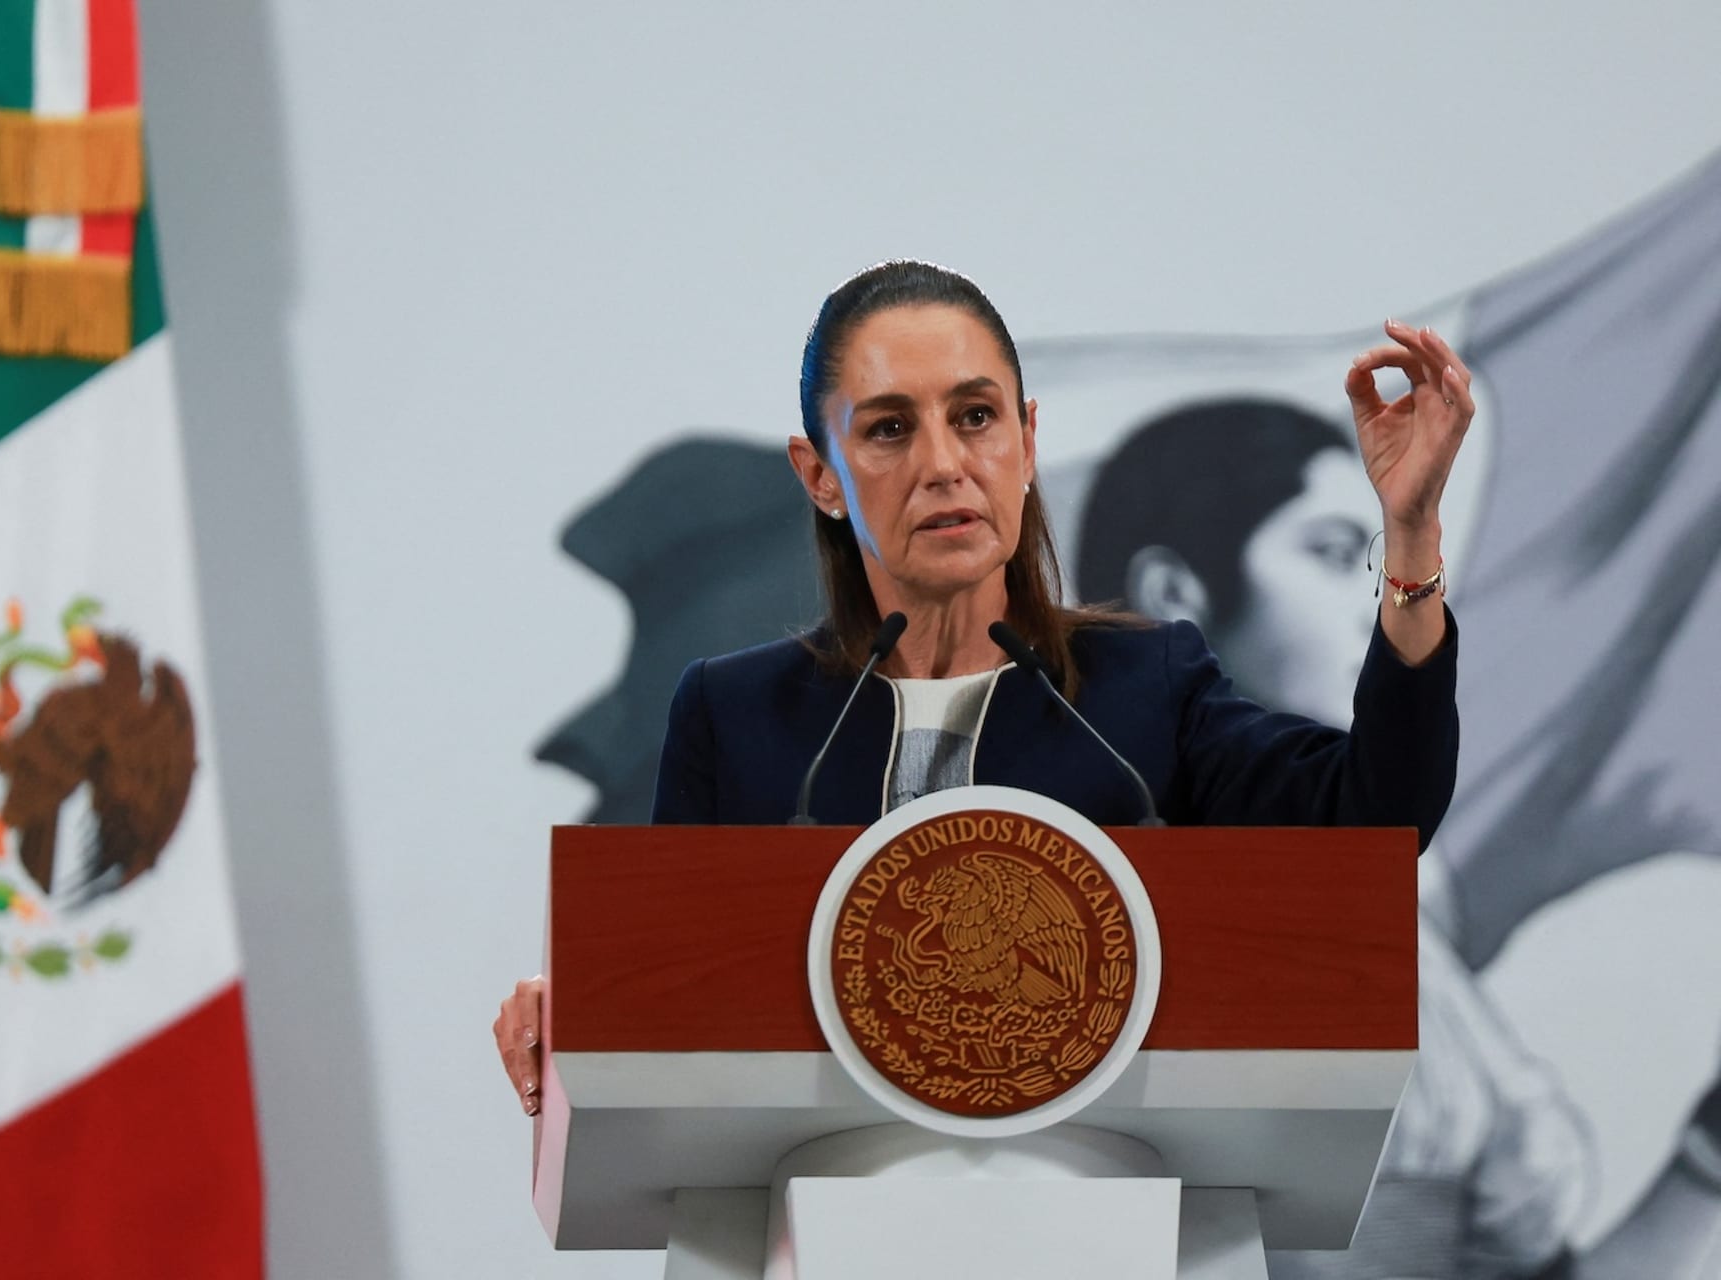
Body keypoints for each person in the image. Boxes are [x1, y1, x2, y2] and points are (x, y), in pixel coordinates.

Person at [494, 259, 1470, 1119]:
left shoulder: (1143, 688)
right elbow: (672, 988)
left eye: (975, 416)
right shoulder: (740, 714)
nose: (944, 464)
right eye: (887, 428)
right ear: (822, 475)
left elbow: (1375, 822)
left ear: (1026, 437)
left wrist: (1413, 536)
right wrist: (577, 1005)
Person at [1075, 397, 1721, 1278]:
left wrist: (1705, 1157)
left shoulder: (1384, 932)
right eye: (1337, 554)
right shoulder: (1056, 905)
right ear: (1175, 596)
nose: (1376, 602)